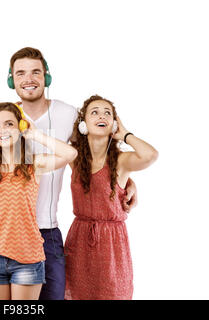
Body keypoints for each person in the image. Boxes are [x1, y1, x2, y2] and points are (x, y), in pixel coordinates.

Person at [0, 47, 139, 300]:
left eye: (35, 72)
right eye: (21, 74)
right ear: (11, 80)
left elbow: (89, 157)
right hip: (4, 233)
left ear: (46, 77)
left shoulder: (68, 114)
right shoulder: (3, 118)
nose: (29, 79)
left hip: (47, 231)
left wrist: (124, 181)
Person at [0, 102, 77, 300]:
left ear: (20, 126)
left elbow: (70, 154)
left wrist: (35, 135)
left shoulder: (33, 164)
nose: (2, 130)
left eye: (9, 124)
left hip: (28, 256)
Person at [64, 95, 158, 300]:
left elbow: (150, 155)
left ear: (114, 123)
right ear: (83, 124)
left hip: (112, 246)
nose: (102, 115)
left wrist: (125, 134)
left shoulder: (122, 161)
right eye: (94, 112)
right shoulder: (74, 157)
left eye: (108, 113)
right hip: (80, 240)